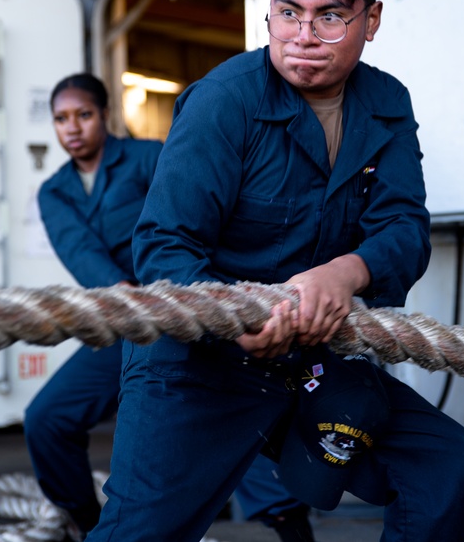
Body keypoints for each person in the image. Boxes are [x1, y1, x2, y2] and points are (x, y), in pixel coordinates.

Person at [86, 0, 464, 542]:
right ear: (267, 12)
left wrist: (345, 272)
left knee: (449, 468)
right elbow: (163, 246)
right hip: (198, 357)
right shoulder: (225, 101)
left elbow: (404, 226)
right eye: (287, 13)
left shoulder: (387, 104)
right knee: (140, 535)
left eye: (331, 16)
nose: (304, 36)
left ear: (371, 20)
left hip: (309, 357)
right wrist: (238, 314)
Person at [25, 73, 316, 541]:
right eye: (61, 119)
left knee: (236, 412)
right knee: (47, 419)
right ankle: (85, 522)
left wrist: (206, 294)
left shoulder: (146, 156)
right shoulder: (54, 191)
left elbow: (186, 219)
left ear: (105, 115)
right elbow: (78, 250)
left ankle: (290, 526)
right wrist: (124, 296)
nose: (72, 127)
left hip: (191, 306)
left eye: (83, 115)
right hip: (125, 320)